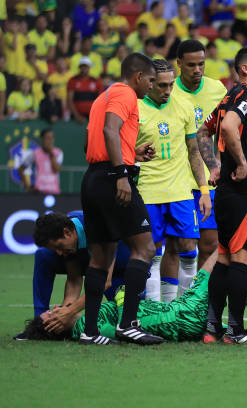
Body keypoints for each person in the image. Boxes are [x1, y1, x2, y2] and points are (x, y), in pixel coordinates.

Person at [18, 250, 247, 343]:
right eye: (50, 313)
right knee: (236, 253)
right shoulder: (85, 328)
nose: (55, 307)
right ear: (53, 325)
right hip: (183, 316)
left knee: (232, 253)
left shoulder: (87, 322)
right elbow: (121, 327)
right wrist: (118, 292)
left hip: (179, 311)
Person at [80, 53, 162, 346]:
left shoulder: (104, 96)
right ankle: (128, 325)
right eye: (151, 80)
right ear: (138, 76)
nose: (151, 86)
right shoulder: (125, 93)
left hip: (93, 178)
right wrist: (121, 173)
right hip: (112, 179)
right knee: (145, 247)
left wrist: (132, 155)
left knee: (102, 257)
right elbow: (109, 130)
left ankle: (90, 332)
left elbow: (96, 140)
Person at [199, 46, 247, 344]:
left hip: (225, 191)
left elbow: (204, 133)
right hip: (244, 189)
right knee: (243, 260)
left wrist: (214, 166)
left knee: (225, 260)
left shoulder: (228, 97)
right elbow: (228, 127)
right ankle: (235, 332)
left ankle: (212, 330)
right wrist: (241, 162)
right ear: (245, 69)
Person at [136, 58, 211, 302]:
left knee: (189, 250)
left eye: (170, 85)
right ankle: (157, 310)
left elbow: (194, 151)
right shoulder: (135, 109)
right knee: (152, 254)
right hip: (148, 192)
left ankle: (183, 309)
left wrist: (204, 189)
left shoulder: (184, 107)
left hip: (181, 192)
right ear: (149, 83)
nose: (168, 90)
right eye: (161, 86)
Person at [12, 211, 129, 341]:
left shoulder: (99, 228)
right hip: (92, 262)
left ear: (68, 232)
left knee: (128, 319)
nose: (59, 253)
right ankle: (41, 325)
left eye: (59, 247)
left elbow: (104, 282)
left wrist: (70, 311)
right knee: (43, 255)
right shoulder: (69, 238)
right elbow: (74, 280)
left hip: (120, 270)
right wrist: (60, 315)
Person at [172, 40, 228, 271]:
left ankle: (201, 303)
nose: (197, 70)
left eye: (201, 64)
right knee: (183, 245)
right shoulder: (169, 90)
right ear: (179, 64)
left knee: (209, 244)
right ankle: (174, 301)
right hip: (177, 180)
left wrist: (219, 163)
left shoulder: (217, 89)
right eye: (191, 65)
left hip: (209, 179)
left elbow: (226, 130)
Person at [17, 128, 62, 194]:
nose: (50, 140)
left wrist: (51, 153)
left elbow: (56, 169)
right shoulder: (35, 153)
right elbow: (21, 169)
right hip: (38, 192)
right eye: (48, 138)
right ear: (42, 139)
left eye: (52, 138)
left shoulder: (58, 153)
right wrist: (28, 186)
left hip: (54, 191)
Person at [67, 57, 104, 124]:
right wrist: (77, 116)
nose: (84, 68)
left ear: (89, 67)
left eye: (86, 66)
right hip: (76, 117)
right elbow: (69, 100)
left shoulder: (96, 81)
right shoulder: (72, 80)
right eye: (82, 66)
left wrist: (94, 116)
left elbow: (100, 101)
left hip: (92, 117)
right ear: (79, 67)